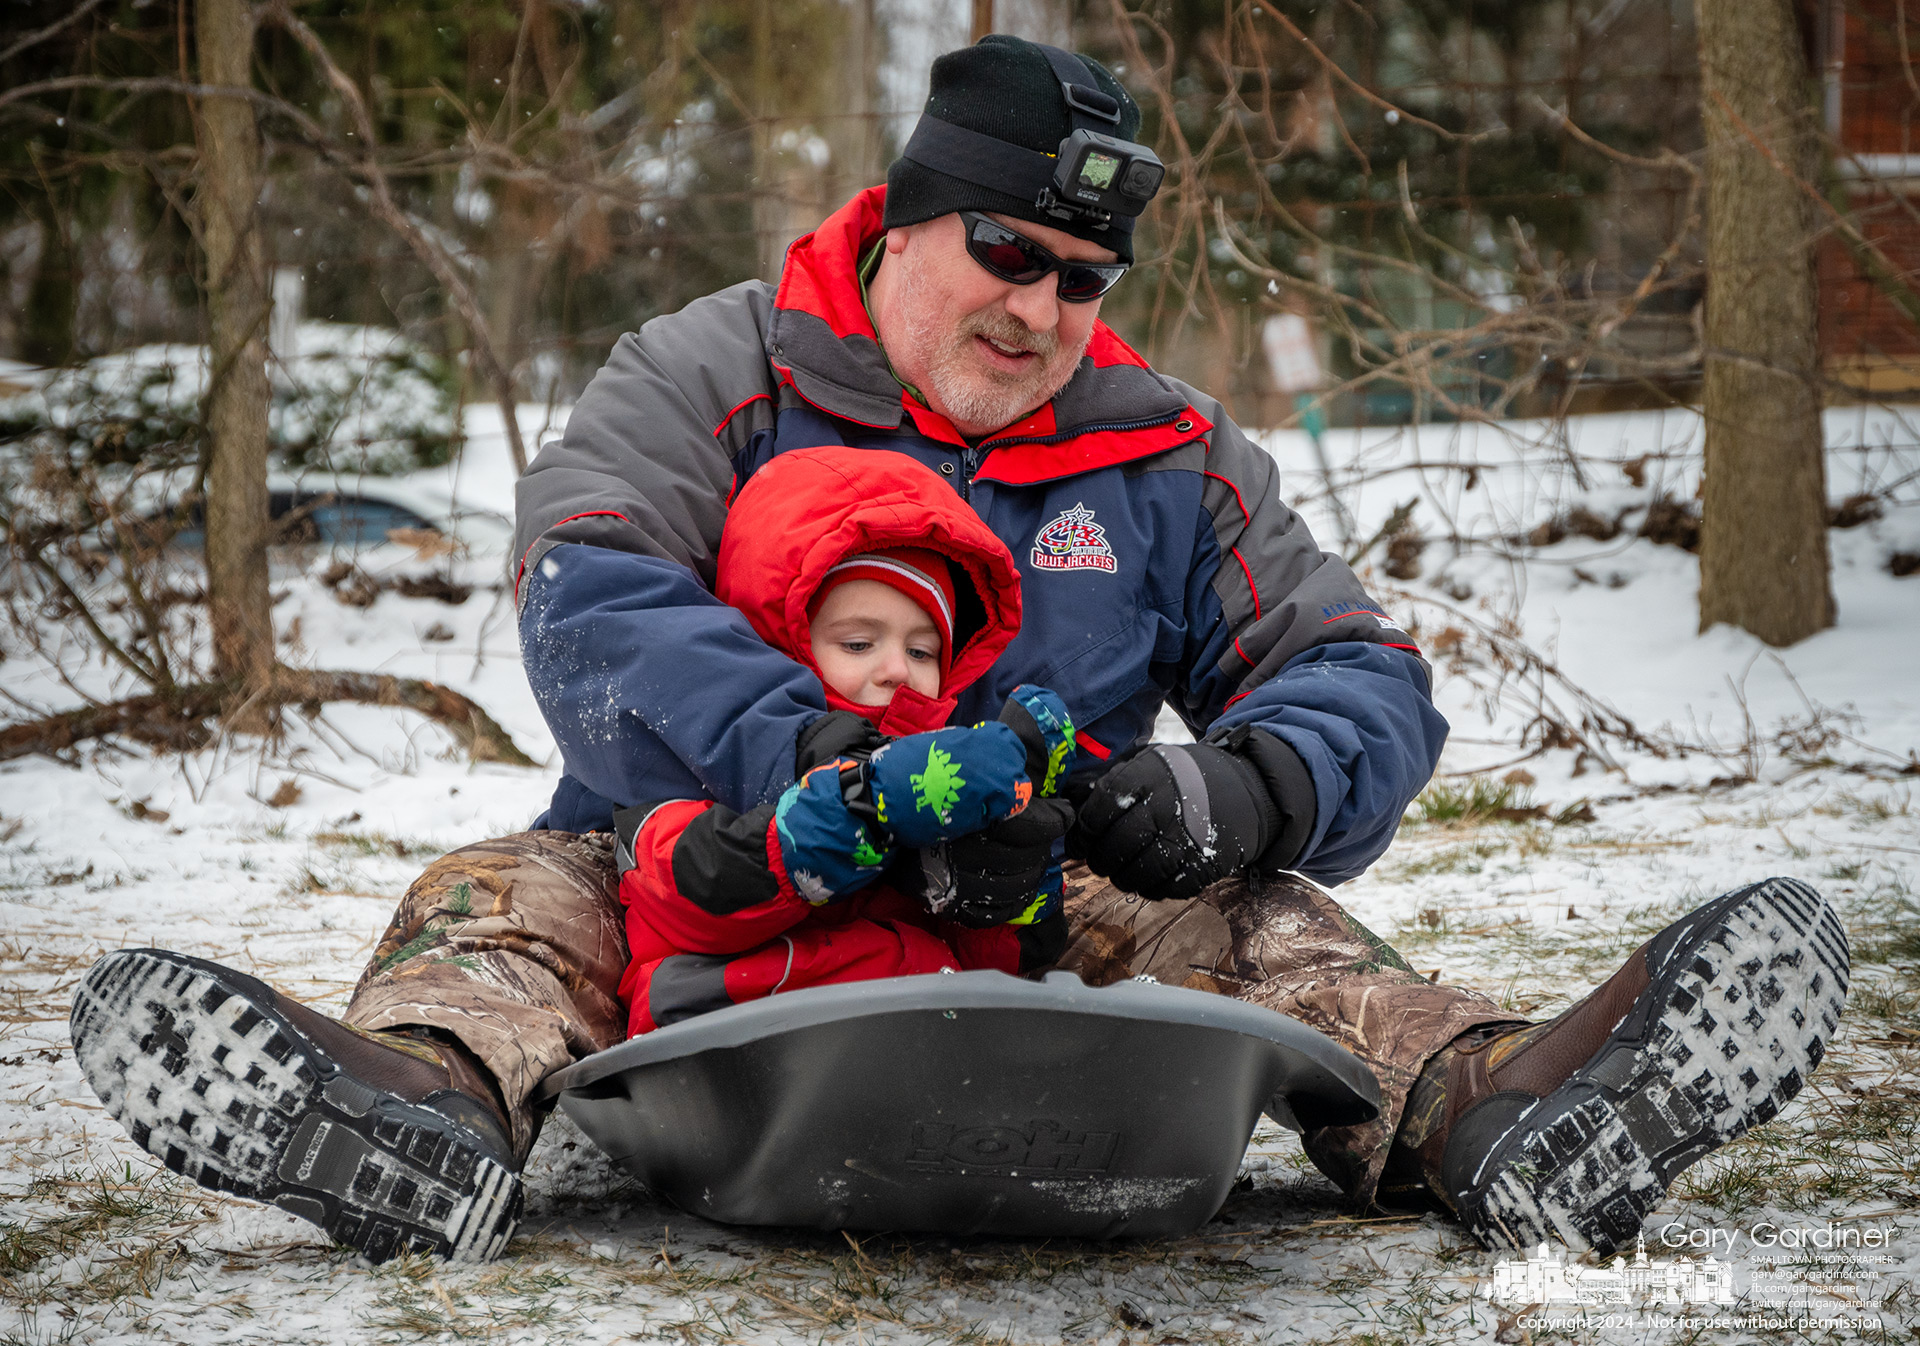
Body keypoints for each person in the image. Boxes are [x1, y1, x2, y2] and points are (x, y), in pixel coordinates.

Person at [69, 34, 1849, 1266]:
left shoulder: (1161, 450)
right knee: (514, 891)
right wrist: (818, 762)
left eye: (1083, 275)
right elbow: (592, 590)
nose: (1042, 307)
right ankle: (419, 1113)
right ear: (907, 217)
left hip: (1043, 888)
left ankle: (1502, 1111)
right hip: (725, 863)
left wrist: (1232, 785)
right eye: (1006, 248)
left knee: (1272, 923)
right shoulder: (718, 372)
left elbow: (1358, 667)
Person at [616, 444, 1079, 1036]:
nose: (897, 670)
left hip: (917, 1053)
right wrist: (862, 804)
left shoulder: (943, 782)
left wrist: (1011, 889)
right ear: (777, 645)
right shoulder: (700, 759)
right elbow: (689, 901)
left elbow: (996, 969)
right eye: (859, 644)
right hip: (730, 1038)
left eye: (921, 650)